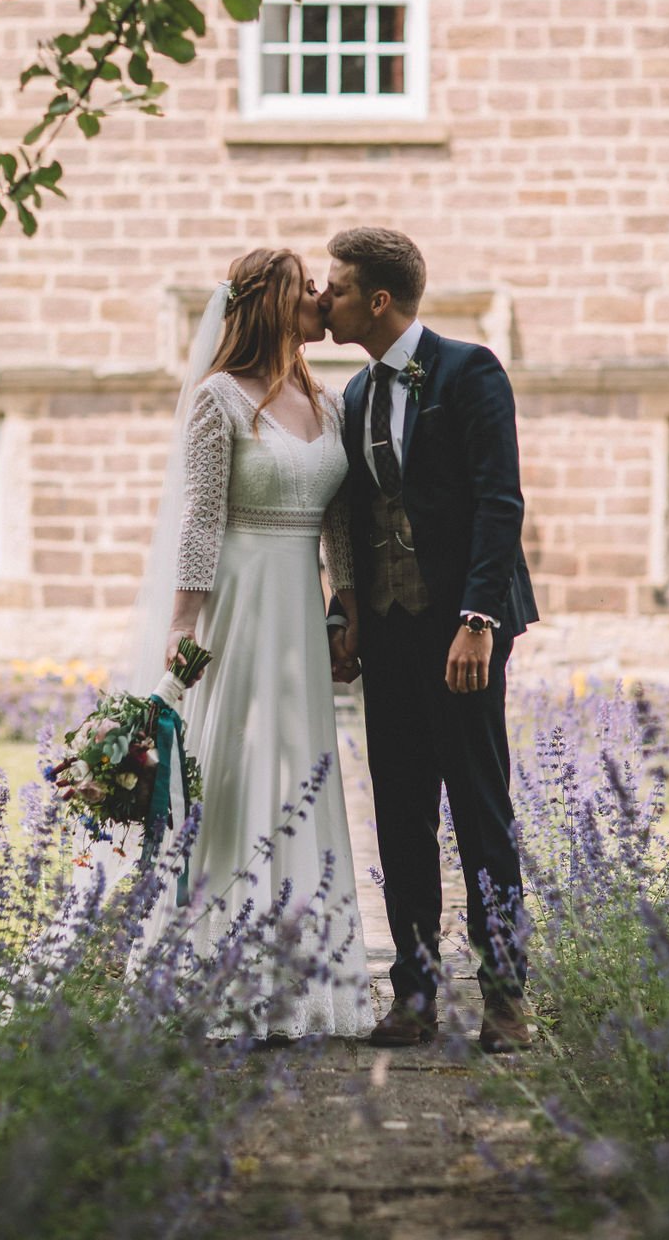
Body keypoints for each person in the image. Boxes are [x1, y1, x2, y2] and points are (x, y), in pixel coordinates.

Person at [127, 248, 375, 1040]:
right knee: (234, 772)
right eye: (306, 289)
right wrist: (183, 623)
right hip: (238, 603)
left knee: (299, 770)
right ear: (271, 303)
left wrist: (348, 607)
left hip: (300, 606)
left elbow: (338, 523)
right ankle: (216, 972)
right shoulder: (219, 399)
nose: (320, 299)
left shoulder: (328, 402)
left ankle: (298, 976)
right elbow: (200, 518)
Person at [319, 227, 539, 1053]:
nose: (325, 300)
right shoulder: (352, 395)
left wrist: (478, 620)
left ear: (378, 300)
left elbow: (500, 502)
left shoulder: (469, 371)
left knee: (480, 809)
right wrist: (345, 617)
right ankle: (413, 994)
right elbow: (353, 519)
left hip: (464, 632)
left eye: (338, 288)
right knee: (401, 813)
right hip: (389, 634)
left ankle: (505, 997)